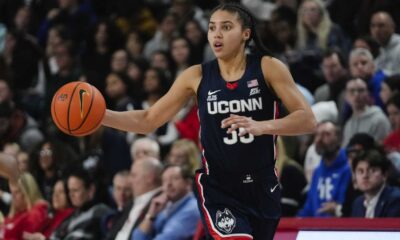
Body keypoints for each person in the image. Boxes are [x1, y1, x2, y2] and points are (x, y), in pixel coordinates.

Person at [101, 3, 316, 239]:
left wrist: (261, 126)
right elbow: (148, 119)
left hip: (263, 186)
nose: (217, 34)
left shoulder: (268, 67)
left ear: (246, 33)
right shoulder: (196, 76)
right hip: (219, 187)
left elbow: (307, 120)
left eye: (226, 27)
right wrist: (101, 116)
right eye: (212, 28)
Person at [132, 164, 200, 239]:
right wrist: (151, 215)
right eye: (164, 180)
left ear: (188, 183)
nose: (168, 184)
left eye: (174, 178)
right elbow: (137, 237)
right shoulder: (167, 206)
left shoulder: (192, 209)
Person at [298, 121, 351, 217]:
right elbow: (308, 208)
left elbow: (348, 208)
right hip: (314, 229)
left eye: (326, 134)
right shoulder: (317, 171)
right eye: (317, 135)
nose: (319, 139)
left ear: (339, 139)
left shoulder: (348, 169)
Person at [351, 150, 400, 218]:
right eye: (360, 171)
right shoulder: (358, 203)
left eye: (372, 171)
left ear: (385, 175)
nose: (365, 176)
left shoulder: (395, 200)